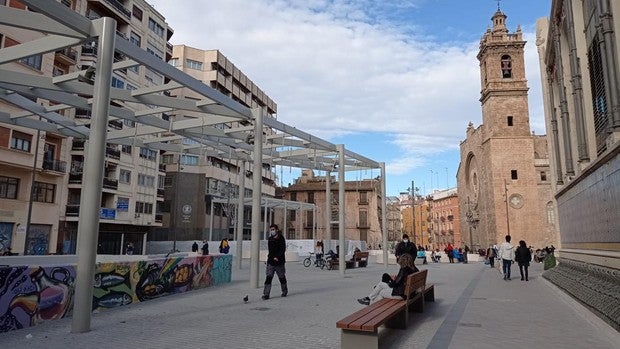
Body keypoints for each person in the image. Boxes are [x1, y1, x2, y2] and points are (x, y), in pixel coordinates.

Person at [262, 224, 287, 300]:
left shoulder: (281, 238)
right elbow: (271, 250)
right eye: (271, 229)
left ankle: (284, 291)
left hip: (279, 262)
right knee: (268, 277)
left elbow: (283, 249)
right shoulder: (270, 239)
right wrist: (269, 259)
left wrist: (277, 257)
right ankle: (266, 294)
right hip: (271, 262)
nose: (272, 231)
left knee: (281, 277)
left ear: (276, 229)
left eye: (273, 229)